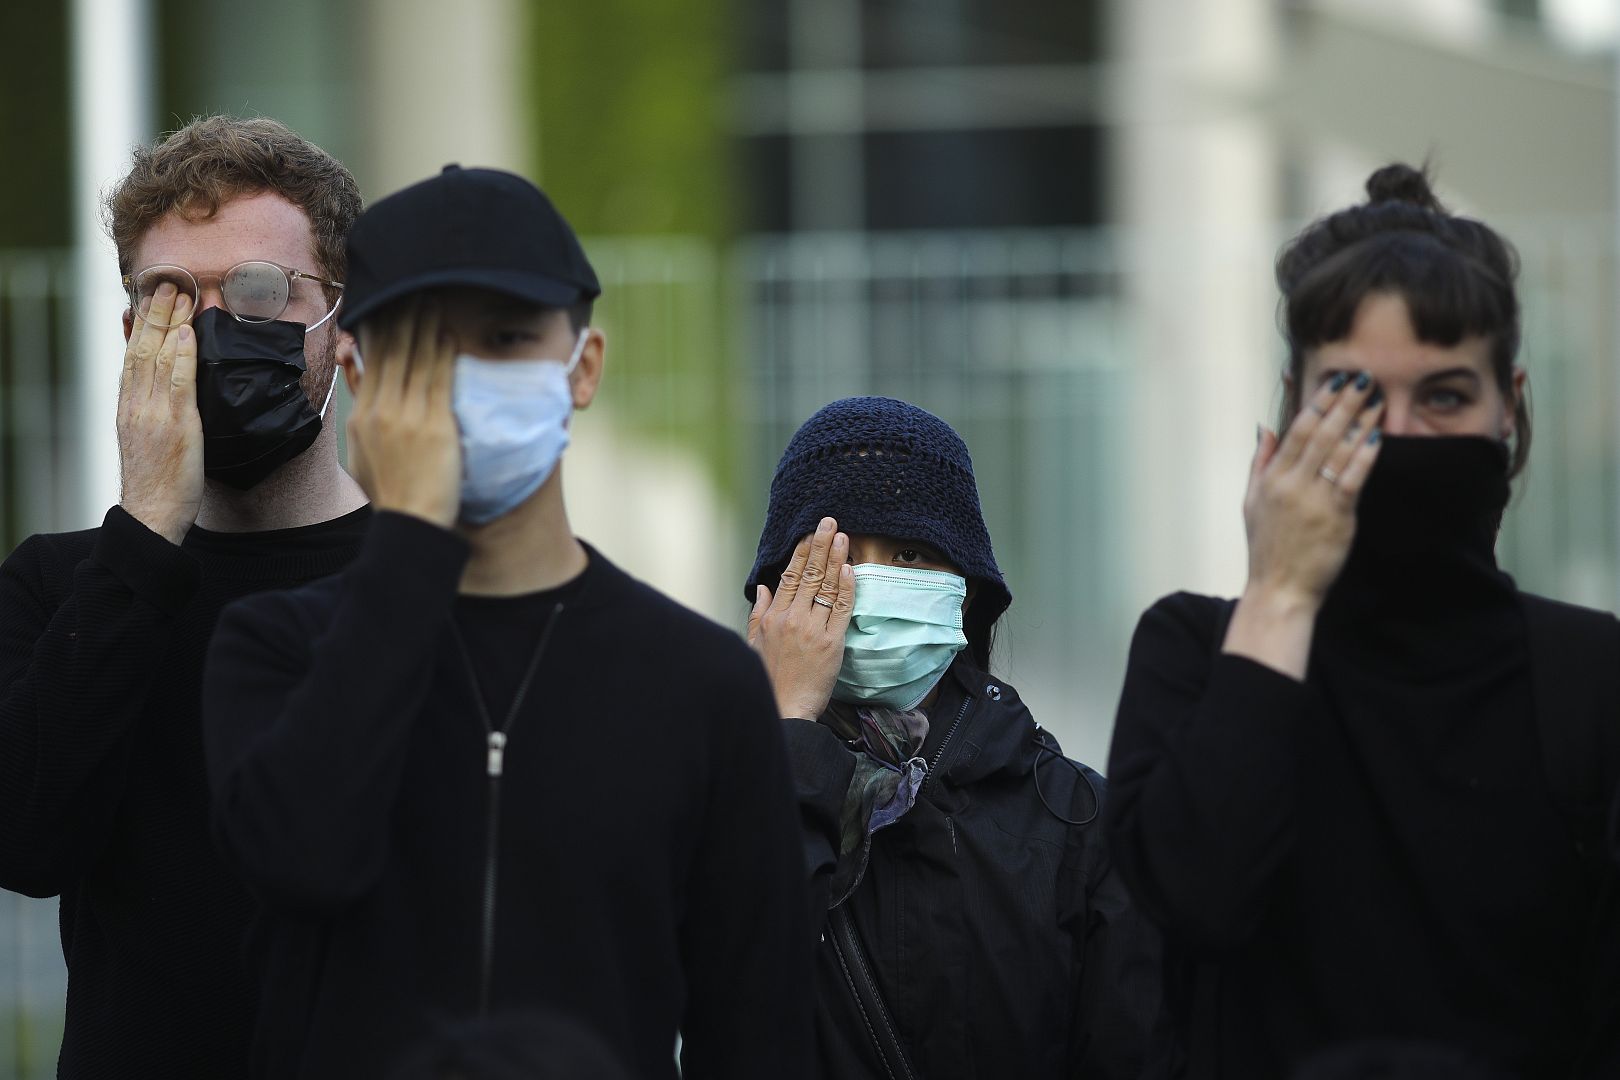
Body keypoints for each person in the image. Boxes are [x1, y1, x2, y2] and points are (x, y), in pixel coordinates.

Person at [201, 165, 814, 1079]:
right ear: (360, 376)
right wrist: (410, 538)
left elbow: (755, 1032)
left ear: (584, 367)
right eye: (426, 350)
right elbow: (302, 861)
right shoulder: (276, 647)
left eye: (506, 338)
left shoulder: (702, 683)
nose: (466, 379)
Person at [1105, 164, 1620, 1079]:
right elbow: (1196, 903)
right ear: (1290, 414)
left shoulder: (1592, 675)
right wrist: (1280, 597)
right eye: (1351, 399)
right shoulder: (1194, 650)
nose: (1402, 437)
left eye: (1446, 397)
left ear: (1512, 408)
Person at [0, 116, 368, 1077]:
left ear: (344, 325)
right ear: (131, 336)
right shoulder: (58, 585)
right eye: (169, 298)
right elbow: (26, 842)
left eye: (258, 291)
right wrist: (149, 528)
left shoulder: (439, 584)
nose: (211, 329)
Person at [744, 396, 1161, 1080]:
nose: (865, 587)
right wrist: (787, 735)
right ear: (774, 600)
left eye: (909, 555)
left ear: (967, 592)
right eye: (833, 558)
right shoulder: (713, 802)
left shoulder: (1081, 824)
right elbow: (729, 1009)